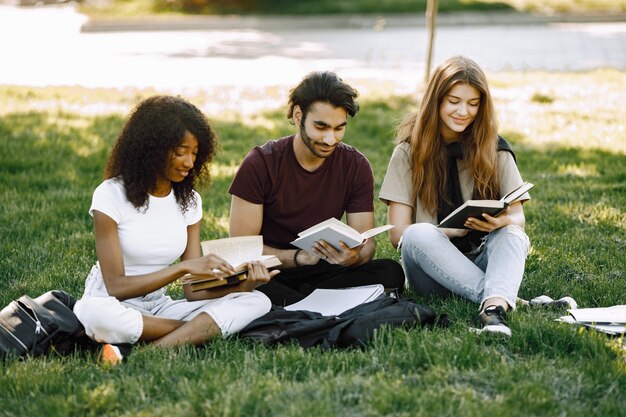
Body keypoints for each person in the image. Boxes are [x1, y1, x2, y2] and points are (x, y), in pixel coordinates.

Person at [73, 96, 278, 363]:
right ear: (151, 149)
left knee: (257, 301)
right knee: (92, 314)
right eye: (180, 152)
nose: (189, 162)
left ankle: (148, 350)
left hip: (159, 308)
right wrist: (181, 269)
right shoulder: (110, 195)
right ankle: (194, 333)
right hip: (112, 302)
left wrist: (241, 286)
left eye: (195, 153)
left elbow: (192, 291)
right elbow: (116, 286)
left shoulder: (189, 201)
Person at [379, 56, 531, 336]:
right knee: (418, 234)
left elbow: (518, 216)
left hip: (479, 255)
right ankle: (503, 297)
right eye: (454, 101)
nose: (463, 111)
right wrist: (449, 231)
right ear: (436, 100)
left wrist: (501, 222)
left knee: (513, 234)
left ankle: (493, 309)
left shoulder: (494, 147)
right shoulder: (407, 151)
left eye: (473, 104)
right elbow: (397, 235)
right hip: (429, 269)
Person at [228, 71, 405, 306]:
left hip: (326, 270)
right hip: (272, 271)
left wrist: (353, 258)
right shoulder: (261, 163)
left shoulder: (356, 165)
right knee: (247, 282)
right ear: (298, 115)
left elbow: (367, 243)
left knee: (390, 272)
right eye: (321, 127)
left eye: (339, 128)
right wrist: (299, 257)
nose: (330, 139)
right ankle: (321, 305)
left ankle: (300, 306)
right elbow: (241, 247)